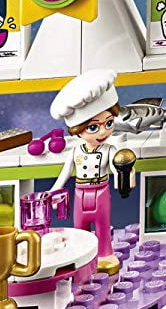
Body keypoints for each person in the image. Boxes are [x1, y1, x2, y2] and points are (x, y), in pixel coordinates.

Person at [48, 70, 137, 275]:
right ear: (77, 129)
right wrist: (53, 192)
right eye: (94, 127)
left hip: (101, 192)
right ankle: (81, 258)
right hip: (80, 194)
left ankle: (105, 255)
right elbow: (65, 174)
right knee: (80, 228)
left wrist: (126, 175)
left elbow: (117, 168)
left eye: (109, 123)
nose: (104, 132)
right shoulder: (75, 151)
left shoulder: (110, 150)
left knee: (103, 226)